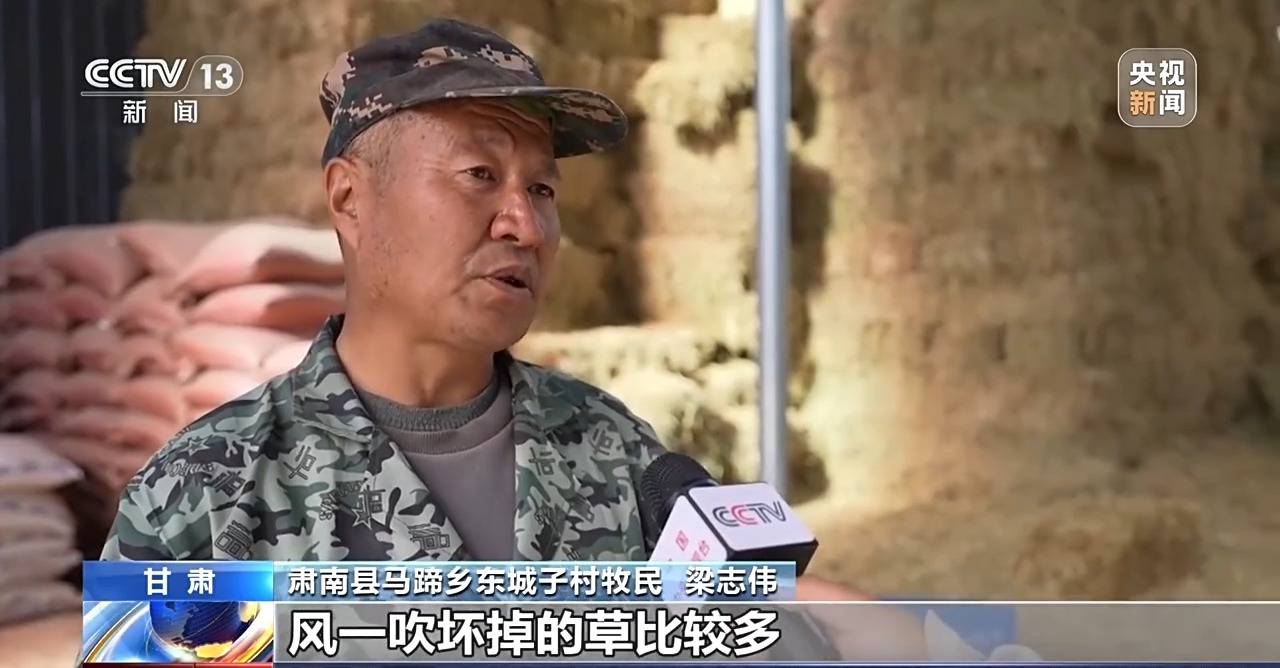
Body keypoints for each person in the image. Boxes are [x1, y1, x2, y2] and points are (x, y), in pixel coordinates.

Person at [99, 17, 943, 660]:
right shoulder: (210, 494)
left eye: (542, 190)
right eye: (480, 175)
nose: (525, 225)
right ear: (350, 200)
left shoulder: (614, 450)